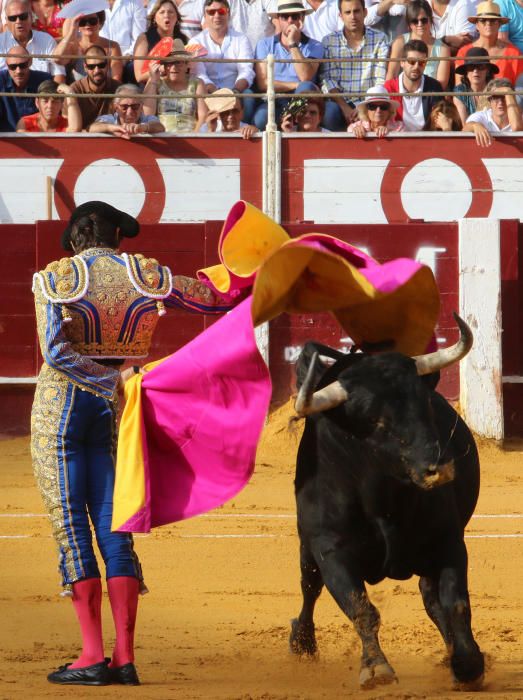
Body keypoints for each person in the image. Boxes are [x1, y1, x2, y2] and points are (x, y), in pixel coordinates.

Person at [32, 201, 235, 686]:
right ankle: (124, 658)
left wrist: (104, 379)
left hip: (61, 412)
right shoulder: (148, 276)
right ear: (118, 237)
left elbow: (55, 351)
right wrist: (248, 272)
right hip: (117, 414)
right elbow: (215, 298)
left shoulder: (55, 279)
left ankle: (90, 657)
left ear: (78, 237)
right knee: (113, 523)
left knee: (71, 525)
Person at [318, 0, 390, 131]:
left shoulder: (380, 39)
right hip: (340, 103)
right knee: (329, 113)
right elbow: (328, 80)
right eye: (347, 12)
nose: (353, 16)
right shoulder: (329, 41)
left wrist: (364, 108)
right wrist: (345, 107)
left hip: (371, 103)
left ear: (365, 12)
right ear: (340, 16)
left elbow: (380, 80)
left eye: (356, 11)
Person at [253, 0, 323, 130]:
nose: (290, 20)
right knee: (261, 117)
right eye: (285, 17)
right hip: (274, 101)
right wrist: (296, 85)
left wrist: (293, 44)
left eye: (295, 16)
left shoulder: (315, 45)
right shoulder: (264, 44)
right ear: (278, 19)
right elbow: (263, 84)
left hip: (304, 104)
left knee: (307, 87)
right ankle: (289, 119)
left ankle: (293, 119)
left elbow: (304, 77)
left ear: (302, 18)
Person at [188, 0, 255, 97]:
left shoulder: (242, 40)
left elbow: (246, 71)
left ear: (229, 14)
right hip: (207, 93)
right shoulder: (195, 42)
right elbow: (200, 74)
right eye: (211, 12)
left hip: (236, 92)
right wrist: (216, 93)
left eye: (221, 11)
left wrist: (234, 92)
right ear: (204, 16)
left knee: (248, 95)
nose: (217, 16)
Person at [143, 39, 207, 132]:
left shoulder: (197, 83)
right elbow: (147, 114)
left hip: (191, 135)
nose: (173, 67)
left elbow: (203, 116)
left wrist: (195, 136)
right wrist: (153, 80)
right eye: (169, 63)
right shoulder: (156, 83)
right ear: (163, 66)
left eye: (178, 62)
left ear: (186, 65)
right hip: (163, 137)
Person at [386, 0, 450, 89]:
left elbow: (441, 84)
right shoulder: (400, 42)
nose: (420, 24)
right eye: (415, 21)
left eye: (424, 20)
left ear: (431, 20)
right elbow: (392, 75)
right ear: (409, 24)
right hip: (402, 96)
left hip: (430, 98)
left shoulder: (443, 49)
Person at [455, 1, 522, 86]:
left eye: (493, 20)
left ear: (500, 25)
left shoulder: (514, 53)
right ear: (477, 25)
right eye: (483, 20)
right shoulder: (463, 52)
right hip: (471, 99)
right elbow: (460, 90)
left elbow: (519, 90)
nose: (488, 23)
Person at [384, 39, 443, 131]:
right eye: (411, 61)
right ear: (402, 62)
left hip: (427, 141)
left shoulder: (434, 87)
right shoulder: (389, 88)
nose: (416, 66)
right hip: (397, 141)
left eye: (421, 63)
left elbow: (440, 122)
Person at [0, 0, 66, 80]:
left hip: (42, 91)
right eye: (12, 18)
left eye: (23, 16)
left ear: (31, 17)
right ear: (6, 21)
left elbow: (59, 74)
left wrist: (52, 91)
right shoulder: (1, 43)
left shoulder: (47, 40)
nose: (18, 21)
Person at [56, 10, 123, 82]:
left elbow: (116, 80)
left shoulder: (113, 47)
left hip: (107, 91)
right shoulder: (73, 46)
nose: (87, 25)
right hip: (77, 92)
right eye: (82, 22)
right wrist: (72, 31)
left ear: (100, 23)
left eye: (92, 21)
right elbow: (57, 59)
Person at [134, 0, 188, 83]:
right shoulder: (144, 39)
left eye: (170, 12)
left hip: (178, 86)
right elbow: (139, 77)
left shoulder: (184, 40)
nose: (166, 15)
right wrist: (163, 69)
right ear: (154, 18)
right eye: (162, 12)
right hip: (152, 86)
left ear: (177, 18)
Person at [68, 45, 122, 130]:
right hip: (82, 140)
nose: (97, 70)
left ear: (107, 65)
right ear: (85, 68)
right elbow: (69, 128)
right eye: (91, 67)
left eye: (101, 65)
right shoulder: (75, 89)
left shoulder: (119, 89)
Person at [0, 46, 51, 131]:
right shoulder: (1, 80)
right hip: (6, 139)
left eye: (22, 65)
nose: (18, 71)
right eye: (13, 67)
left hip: (37, 138)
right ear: (6, 65)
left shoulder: (44, 80)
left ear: (30, 61)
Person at [89, 83, 166, 137]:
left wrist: (143, 127)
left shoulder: (147, 119)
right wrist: (112, 128)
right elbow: (92, 128)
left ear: (142, 106)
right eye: (124, 107)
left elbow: (160, 127)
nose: (130, 112)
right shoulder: (109, 119)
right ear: (116, 107)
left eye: (135, 106)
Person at [463, 77, 523, 145]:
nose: (500, 102)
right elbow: (465, 129)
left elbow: (517, 127)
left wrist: (508, 91)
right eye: (496, 97)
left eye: (504, 97)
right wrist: (475, 126)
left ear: (511, 99)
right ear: (489, 100)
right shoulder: (482, 116)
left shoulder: (520, 117)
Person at [453, 46, 499, 124]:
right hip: (467, 134)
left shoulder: (496, 90)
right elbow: (464, 125)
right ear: (466, 71)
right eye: (471, 67)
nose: (475, 71)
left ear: (487, 70)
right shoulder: (460, 91)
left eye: (480, 67)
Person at [16, 78, 81, 131]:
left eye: (55, 101)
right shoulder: (26, 123)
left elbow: (75, 130)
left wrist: (70, 92)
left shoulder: (66, 124)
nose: (50, 106)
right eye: (45, 101)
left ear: (62, 104)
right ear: (37, 103)